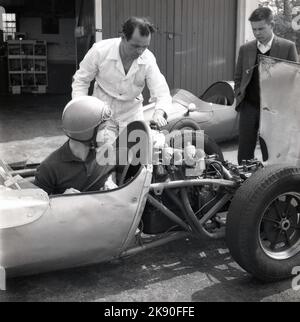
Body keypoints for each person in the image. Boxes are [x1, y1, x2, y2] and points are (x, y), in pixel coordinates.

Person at [71, 16, 172, 130]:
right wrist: (80, 109)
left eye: (145, 47)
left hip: (132, 117)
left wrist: (159, 113)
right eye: (135, 46)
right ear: (123, 37)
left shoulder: (148, 59)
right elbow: (81, 80)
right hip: (101, 114)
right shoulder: (100, 51)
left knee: (134, 147)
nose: (140, 51)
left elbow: (161, 92)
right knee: (104, 147)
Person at [234, 7, 299, 165]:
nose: (257, 33)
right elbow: (238, 77)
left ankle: (269, 185)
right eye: (254, 29)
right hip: (249, 107)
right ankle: (244, 186)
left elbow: (295, 80)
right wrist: (239, 95)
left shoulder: (287, 47)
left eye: (261, 28)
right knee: (244, 151)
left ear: (272, 25)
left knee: (271, 151)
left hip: (275, 110)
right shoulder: (245, 49)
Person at [34, 96, 117, 195]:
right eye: (103, 128)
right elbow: (37, 206)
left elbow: (114, 172)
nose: (108, 133)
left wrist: (109, 181)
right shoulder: (49, 168)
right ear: (85, 131)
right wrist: (62, 199)